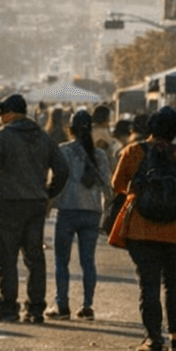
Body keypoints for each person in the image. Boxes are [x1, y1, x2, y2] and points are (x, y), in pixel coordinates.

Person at [107, 106, 176, 351]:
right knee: (175, 284)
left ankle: (153, 339)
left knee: (148, 285)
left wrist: (139, 189)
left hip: (141, 229)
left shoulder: (133, 151)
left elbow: (116, 184)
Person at [0, 93, 69, 324]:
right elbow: (62, 169)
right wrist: (48, 192)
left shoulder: (2, 135)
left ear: (9, 114)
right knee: (34, 257)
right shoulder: (43, 137)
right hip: (36, 204)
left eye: (1, 113)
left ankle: (8, 305)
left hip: (9, 203)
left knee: (6, 257)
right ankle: (35, 308)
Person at [50, 109, 112, 320]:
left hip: (67, 210)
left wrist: (49, 204)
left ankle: (62, 305)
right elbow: (107, 186)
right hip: (92, 212)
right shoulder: (100, 155)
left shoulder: (63, 150)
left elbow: (56, 181)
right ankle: (87, 306)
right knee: (88, 261)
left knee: (61, 260)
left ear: (71, 130)